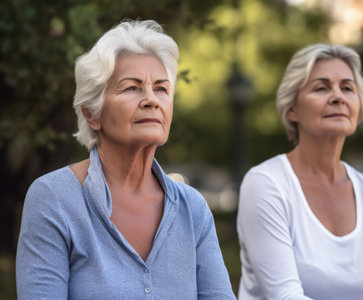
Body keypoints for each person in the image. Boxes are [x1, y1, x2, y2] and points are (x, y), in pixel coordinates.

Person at [16, 20, 236, 300]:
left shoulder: (193, 209)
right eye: (132, 88)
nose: (151, 100)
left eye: (161, 89)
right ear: (91, 114)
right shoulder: (53, 198)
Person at [236, 44, 363, 300]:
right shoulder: (265, 184)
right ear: (292, 109)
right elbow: (286, 296)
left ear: (359, 105)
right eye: (321, 87)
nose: (337, 97)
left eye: (347, 87)